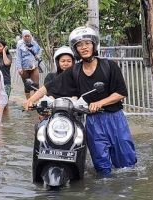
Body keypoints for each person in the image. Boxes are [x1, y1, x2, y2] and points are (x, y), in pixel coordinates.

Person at [24, 26, 137, 178]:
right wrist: (31, 99)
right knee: (101, 166)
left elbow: (121, 93)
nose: (84, 47)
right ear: (76, 49)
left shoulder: (109, 66)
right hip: (93, 121)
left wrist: (100, 103)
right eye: (79, 45)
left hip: (115, 118)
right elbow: (50, 86)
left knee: (126, 163)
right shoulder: (74, 71)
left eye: (87, 43)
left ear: (94, 45)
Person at [16, 29, 42, 99]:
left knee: (36, 84)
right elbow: (18, 56)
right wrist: (19, 68)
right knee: (27, 85)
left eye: (28, 36)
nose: (27, 37)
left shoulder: (34, 43)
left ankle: (36, 101)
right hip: (24, 67)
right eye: (25, 36)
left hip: (34, 66)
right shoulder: (20, 44)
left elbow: (39, 51)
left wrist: (38, 56)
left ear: (30, 36)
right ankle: (28, 101)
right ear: (23, 37)